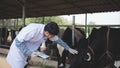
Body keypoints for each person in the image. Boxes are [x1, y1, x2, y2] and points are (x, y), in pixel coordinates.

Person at [6, 22, 78, 68]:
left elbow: (59, 40)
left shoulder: (48, 32)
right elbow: (18, 42)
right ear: (47, 33)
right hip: (18, 51)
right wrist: (29, 52)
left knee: (25, 65)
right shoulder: (33, 30)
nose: (53, 38)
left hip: (28, 51)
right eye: (52, 36)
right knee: (18, 66)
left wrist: (68, 48)